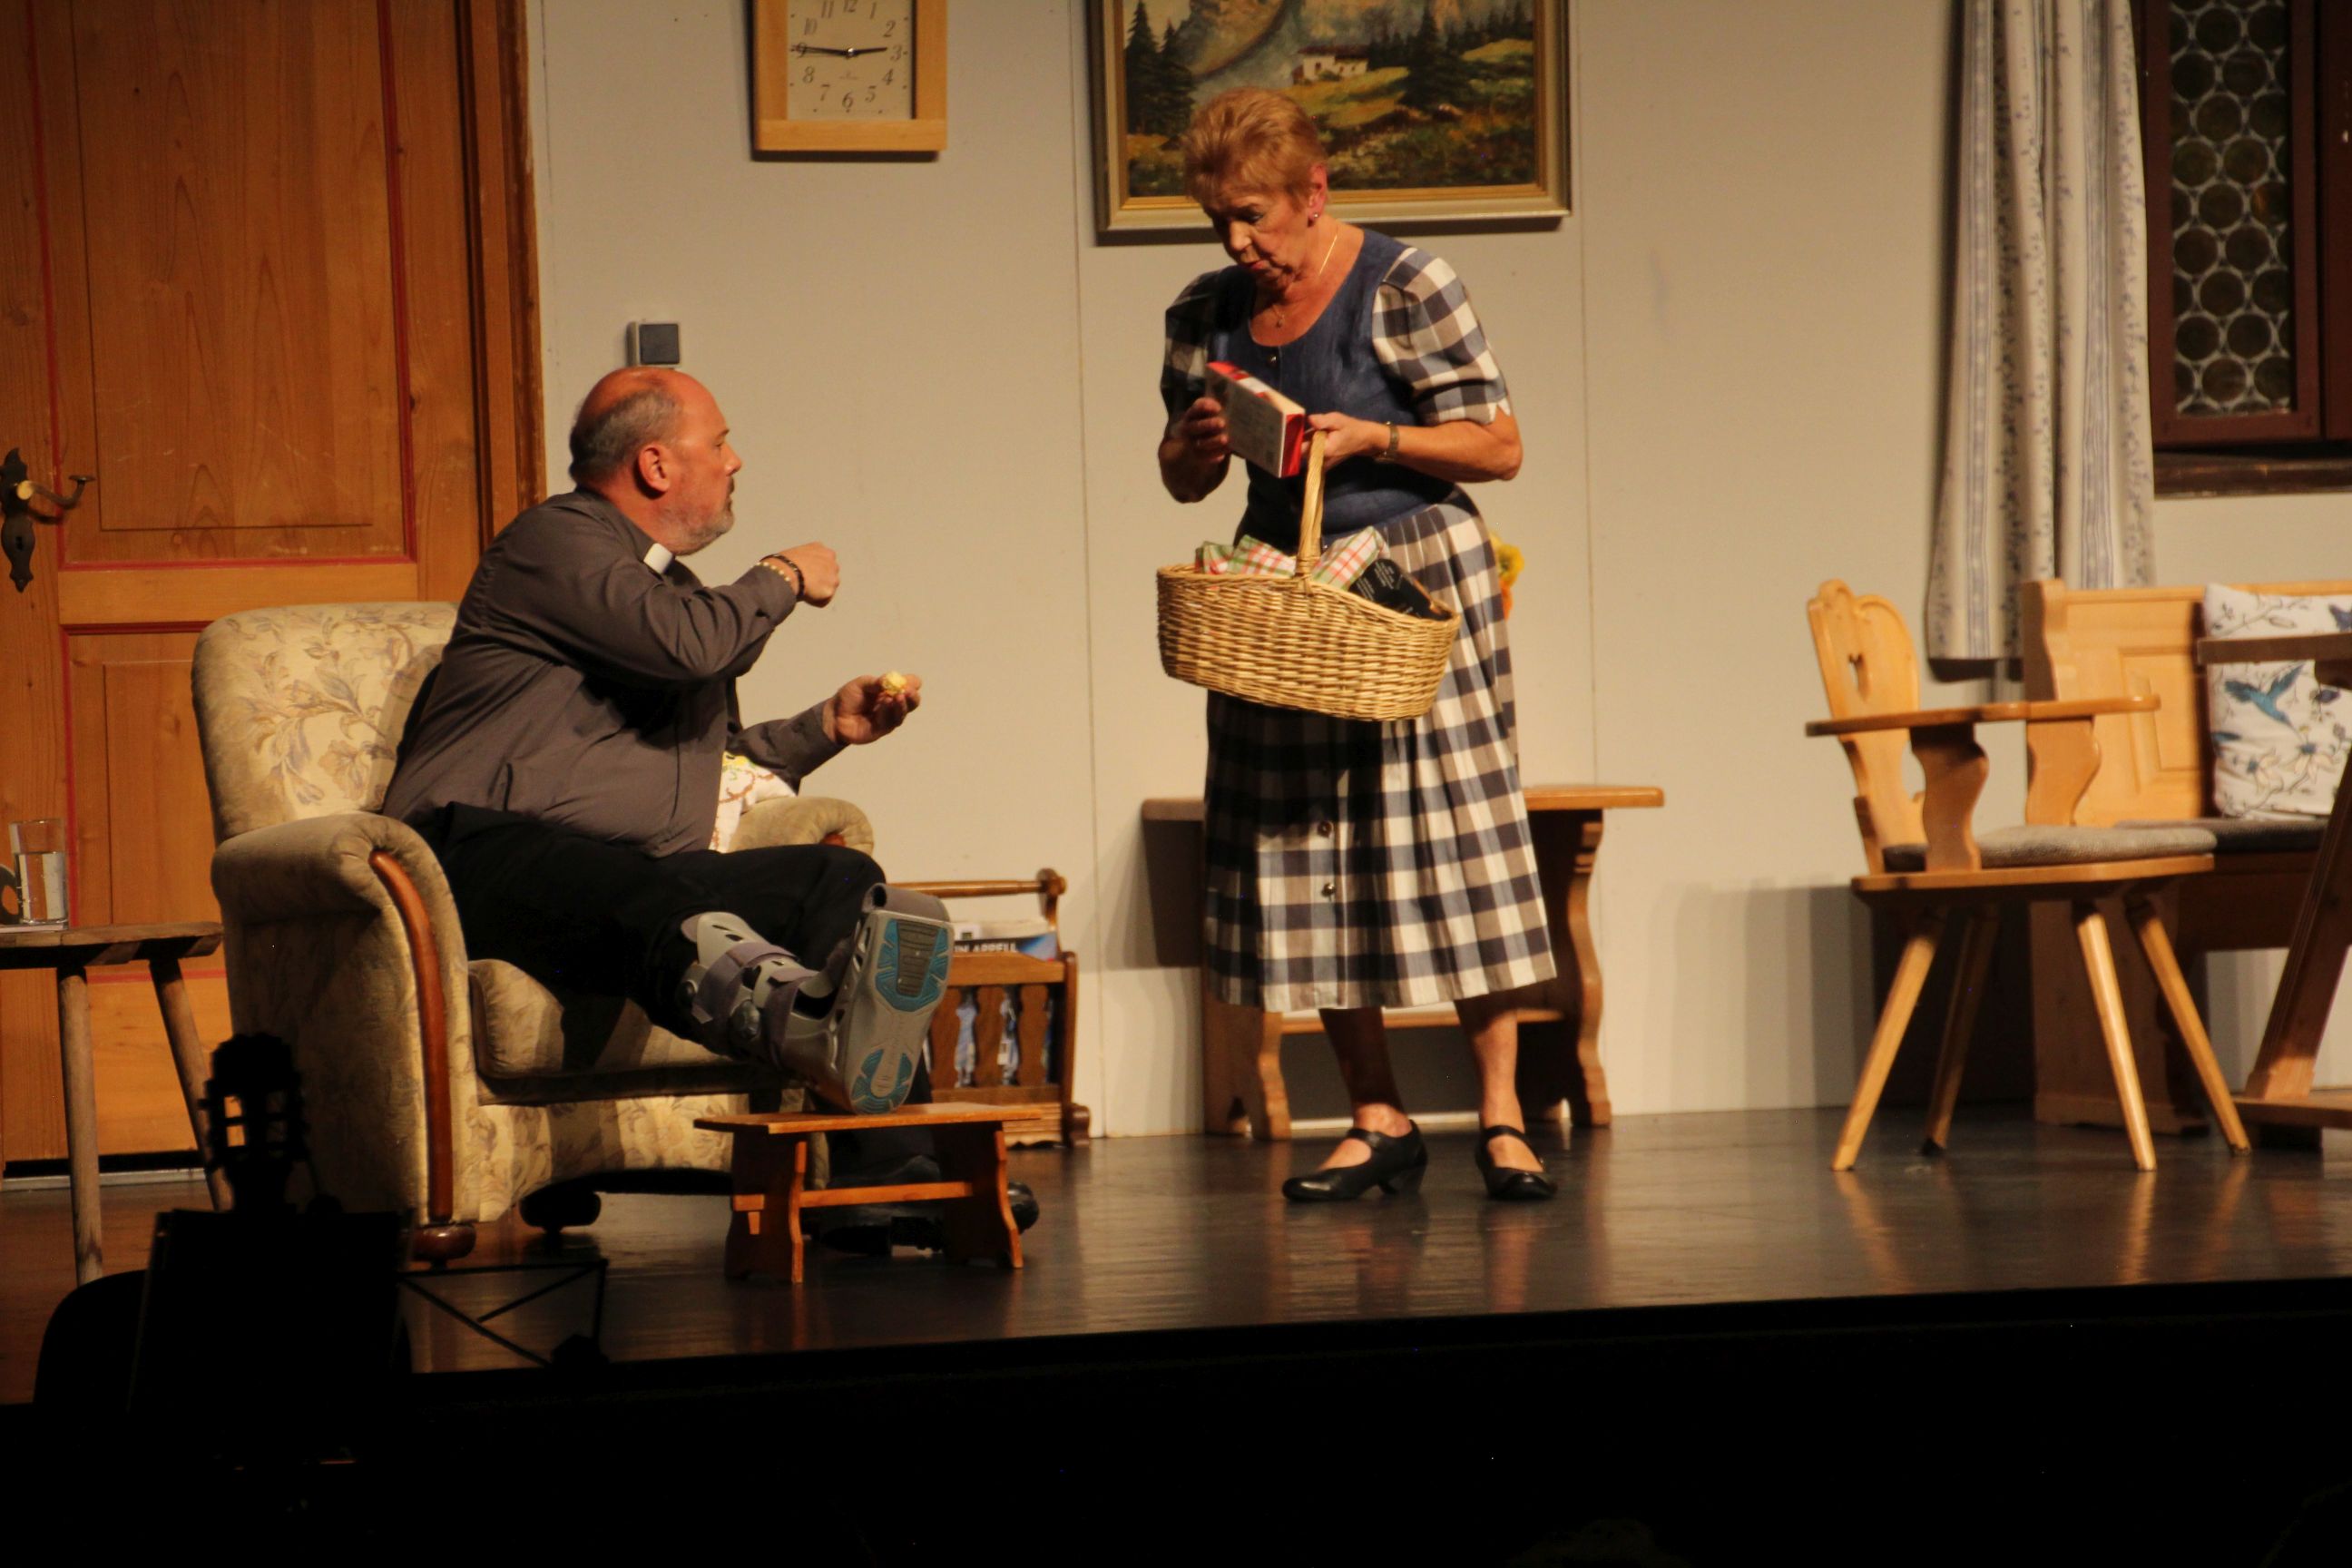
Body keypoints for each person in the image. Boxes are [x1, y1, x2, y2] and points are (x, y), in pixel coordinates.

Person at [384, 368, 1026, 1244]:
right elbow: (691, 649)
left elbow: (702, 764)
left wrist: (823, 728)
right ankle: (800, 1020)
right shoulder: (555, 541)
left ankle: (887, 1174)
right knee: (639, 888)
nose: (735, 461)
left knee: (836, 881)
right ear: (655, 465)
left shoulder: (669, 597)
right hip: (476, 856)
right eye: (718, 443)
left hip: (624, 875)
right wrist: (782, 574)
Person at [1157, 89, 1556, 1203]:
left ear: (1313, 192)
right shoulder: (1204, 312)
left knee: (1458, 837)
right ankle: (1377, 1115)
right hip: (1283, 594)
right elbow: (1182, 480)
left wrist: (1377, 435)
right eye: (1219, 220)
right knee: (1308, 847)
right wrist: (1194, 444)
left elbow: (1500, 446)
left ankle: (1502, 1113)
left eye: (1253, 216)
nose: (1237, 242)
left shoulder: (1404, 284)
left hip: (1409, 577)